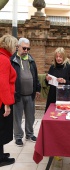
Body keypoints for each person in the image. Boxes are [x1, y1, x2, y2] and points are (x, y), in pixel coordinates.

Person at [11, 38, 41, 147]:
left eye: (28, 48)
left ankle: (29, 134)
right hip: (17, 94)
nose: (26, 50)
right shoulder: (12, 60)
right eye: (24, 48)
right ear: (18, 47)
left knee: (31, 116)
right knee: (17, 117)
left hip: (30, 94)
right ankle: (18, 137)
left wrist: (37, 88)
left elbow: (35, 75)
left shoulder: (31, 60)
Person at [0, 34, 18, 167]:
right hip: (2, 102)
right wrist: (7, 104)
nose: (16, 49)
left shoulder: (3, 57)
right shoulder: (4, 59)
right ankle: (1, 158)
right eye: (15, 46)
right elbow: (3, 84)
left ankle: (1, 154)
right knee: (1, 130)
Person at [45, 47, 70, 112]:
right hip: (52, 95)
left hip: (64, 95)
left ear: (64, 57)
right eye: (57, 57)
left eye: (60, 57)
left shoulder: (69, 67)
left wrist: (64, 81)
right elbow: (47, 83)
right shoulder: (52, 67)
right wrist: (47, 79)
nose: (58, 58)